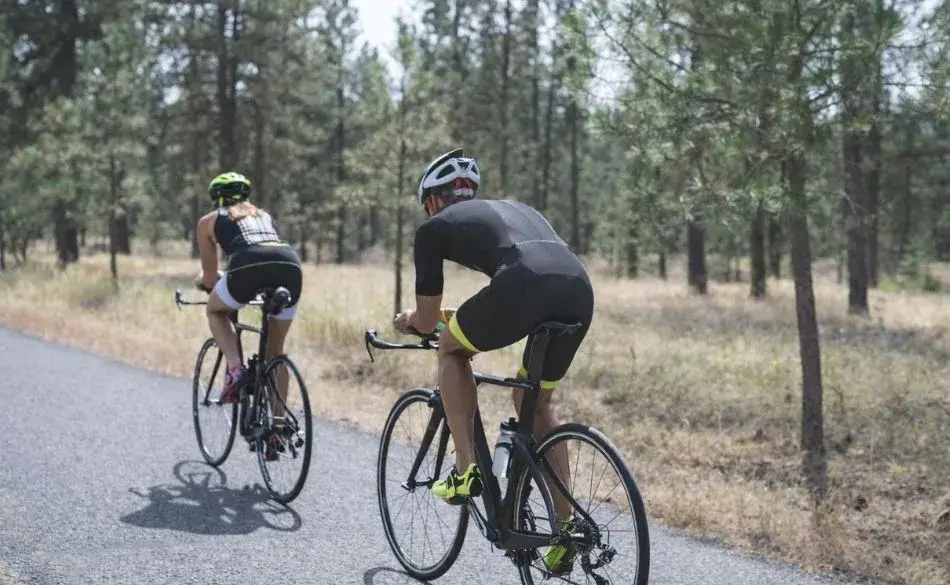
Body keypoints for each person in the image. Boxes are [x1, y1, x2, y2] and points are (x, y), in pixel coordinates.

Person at [392, 148, 595, 574]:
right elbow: (523, 278)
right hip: (577, 287)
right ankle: (564, 532)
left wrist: (411, 321)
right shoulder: (518, 209)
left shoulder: (432, 228)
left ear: (432, 199)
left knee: (451, 348)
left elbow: (429, 321)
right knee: (534, 403)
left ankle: (466, 469)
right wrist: (459, 319)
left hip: (522, 284)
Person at [193, 172, 303, 456]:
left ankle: (235, 368)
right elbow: (268, 249)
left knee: (216, 311)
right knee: (275, 352)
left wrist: (208, 284)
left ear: (217, 198)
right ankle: (277, 429)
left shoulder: (208, 221)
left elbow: (208, 277)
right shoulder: (263, 215)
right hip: (290, 265)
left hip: (246, 265)